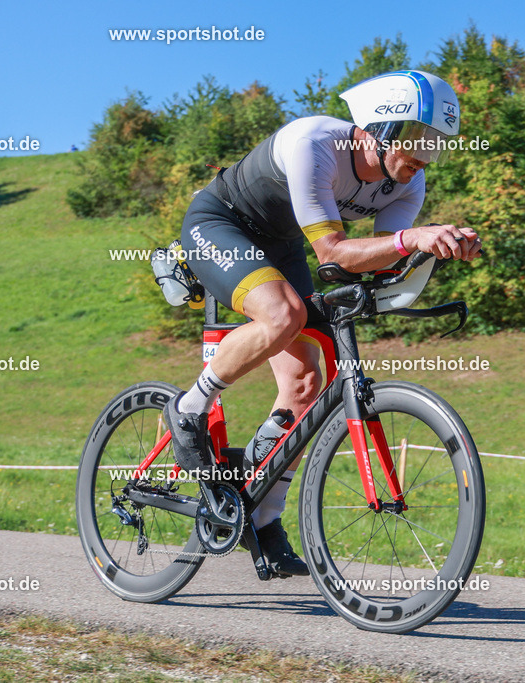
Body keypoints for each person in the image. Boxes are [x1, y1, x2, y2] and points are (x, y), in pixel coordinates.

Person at [163, 70, 482, 577]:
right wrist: (415, 239)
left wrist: (437, 250)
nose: (424, 155)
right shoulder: (317, 143)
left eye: (436, 145)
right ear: (377, 128)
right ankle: (188, 408)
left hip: (283, 245)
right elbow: (334, 251)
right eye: (417, 139)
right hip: (221, 223)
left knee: (310, 378)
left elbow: (376, 259)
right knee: (284, 314)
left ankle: (261, 519)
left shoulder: (408, 181)